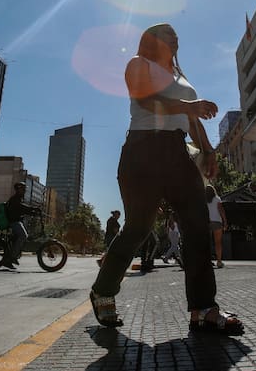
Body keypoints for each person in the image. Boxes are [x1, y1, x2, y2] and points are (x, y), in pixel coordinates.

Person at [89, 23, 243, 335]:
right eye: (165, 33)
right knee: (138, 228)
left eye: (175, 34)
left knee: (197, 223)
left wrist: (209, 150)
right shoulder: (138, 64)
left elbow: (191, 120)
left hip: (176, 151)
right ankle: (103, 290)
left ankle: (203, 308)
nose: (173, 37)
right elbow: (144, 100)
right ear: (151, 40)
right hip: (142, 151)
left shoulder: (182, 79)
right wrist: (189, 106)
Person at [5, 182, 40, 269]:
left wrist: (33, 212)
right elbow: (22, 208)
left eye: (25, 189)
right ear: (18, 189)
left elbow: (23, 209)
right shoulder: (15, 199)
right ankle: (11, 257)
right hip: (13, 222)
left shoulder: (19, 198)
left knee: (20, 237)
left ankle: (12, 256)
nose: (24, 191)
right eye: (23, 189)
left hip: (17, 221)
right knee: (23, 236)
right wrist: (33, 209)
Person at [206, 185, 227, 268]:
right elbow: (221, 210)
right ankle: (219, 261)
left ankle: (208, 261)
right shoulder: (217, 199)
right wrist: (225, 222)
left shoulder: (203, 200)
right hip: (217, 222)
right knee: (218, 243)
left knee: (207, 243)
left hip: (207, 222)